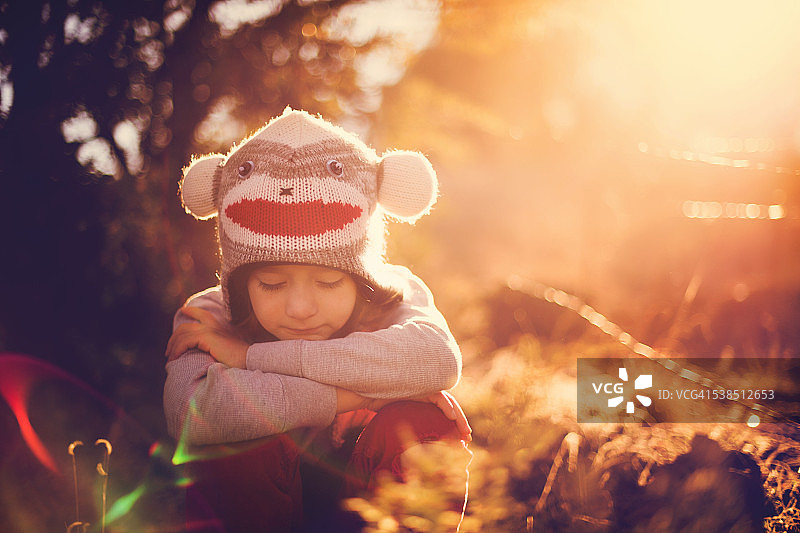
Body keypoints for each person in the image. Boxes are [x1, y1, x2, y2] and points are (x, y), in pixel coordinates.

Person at [163, 108, 471, 532]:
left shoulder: (395, 293)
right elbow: (190, 413)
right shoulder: (208, 315)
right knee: (239, 440)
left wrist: (249, 357)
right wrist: (357, 396)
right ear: (239, 283)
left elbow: (438, 361)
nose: (300, 308)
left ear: (361, 278)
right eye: (271, 284)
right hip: (257, 511)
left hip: (365, 495)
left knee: (421, 425)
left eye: (328, 282)